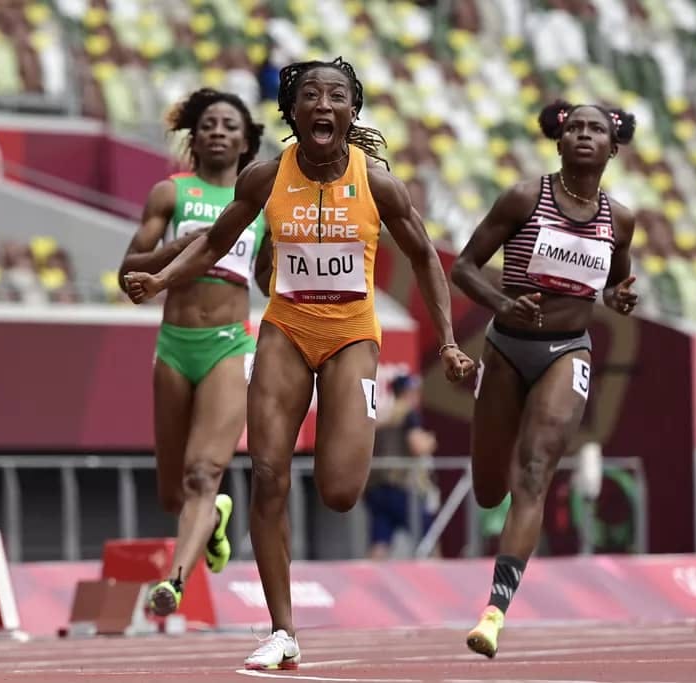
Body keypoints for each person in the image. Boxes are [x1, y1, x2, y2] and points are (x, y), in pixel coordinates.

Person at [125, 56, 474, 669]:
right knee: (268, 475)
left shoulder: (379, 184)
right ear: (292, 112)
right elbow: (214, 241)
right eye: (309, 95)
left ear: (350, 112)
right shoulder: (264, 177)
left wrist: (445, 339)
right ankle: (282, 629)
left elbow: (425, 259)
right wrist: (159, 278)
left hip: (350, 337)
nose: (322, 104)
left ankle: (278, 594)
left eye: (335, 96)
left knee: (340, 492)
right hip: (284, 328)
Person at [450, 99, 639, 659]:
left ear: (612, 146)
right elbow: (462, 267)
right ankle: (496, 516)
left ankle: (494, 612)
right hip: (507, 350)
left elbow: (615, 283)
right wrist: (503, 304)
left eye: (595, 129)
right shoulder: (523, 198)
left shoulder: (620, 218)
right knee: (490, 490)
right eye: (574, 127)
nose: (583, 135)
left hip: (568, 352)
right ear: (558, 142)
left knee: (534, 472)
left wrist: (620, 296)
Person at [117, 88, 270, 618]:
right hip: (174, 347)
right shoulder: (170, 194)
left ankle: (173, 583)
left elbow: (272, 279)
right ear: (194, 137)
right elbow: (128, 275)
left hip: (230, 345)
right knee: (172, 495)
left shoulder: (261, 207)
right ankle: (215, 517)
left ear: (247, 140)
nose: (219, 132)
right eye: (209, 124)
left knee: (202, 475)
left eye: (231, 125)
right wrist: (182, 247)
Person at [365, 373, 441, 560]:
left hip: (375, 486)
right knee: (430, 538)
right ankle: (441, 584)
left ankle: (365, 585)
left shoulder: (383, 413)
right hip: (399, 486)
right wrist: (430, 440)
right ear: (408, 393)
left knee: (380, 542)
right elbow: (417, 446)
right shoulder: (408, 414)